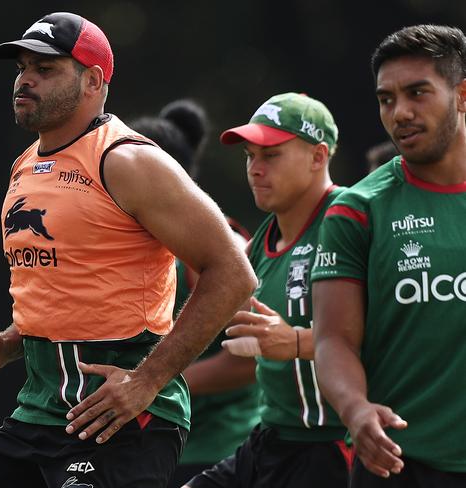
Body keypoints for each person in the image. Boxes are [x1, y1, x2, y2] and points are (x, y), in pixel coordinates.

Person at [0, 11, 256, 488]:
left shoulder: (128, 160)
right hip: (39, 413)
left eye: (45, 69)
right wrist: (6, 346)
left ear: (92, 80)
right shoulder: (24, 167)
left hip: (121, 419)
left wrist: (148, 380)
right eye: (22, 68)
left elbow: (235, 272)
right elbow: (70, 295)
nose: (25, 80)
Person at [312, 24, 466, 486]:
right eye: (386, 99)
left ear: (462, 95)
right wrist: (356, 409)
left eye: (418, 93)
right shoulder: (358, 210)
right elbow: (333, 340)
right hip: (400, 464)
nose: (400, 113)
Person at [184, 92, 353, 488]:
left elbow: (391, 334)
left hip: (334, 446)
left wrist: (293, 340)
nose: (255, 169)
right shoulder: (260, 241)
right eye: (249, 156)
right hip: (270, 440)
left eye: (271, 155)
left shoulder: (352, 221)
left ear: (318, 156)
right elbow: (244, 347)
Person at [129, 100, 261, 488]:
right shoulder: (123, 248)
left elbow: (251, 361)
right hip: (144, 449)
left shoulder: (217, 252)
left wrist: (150, 380)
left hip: (216, 451)